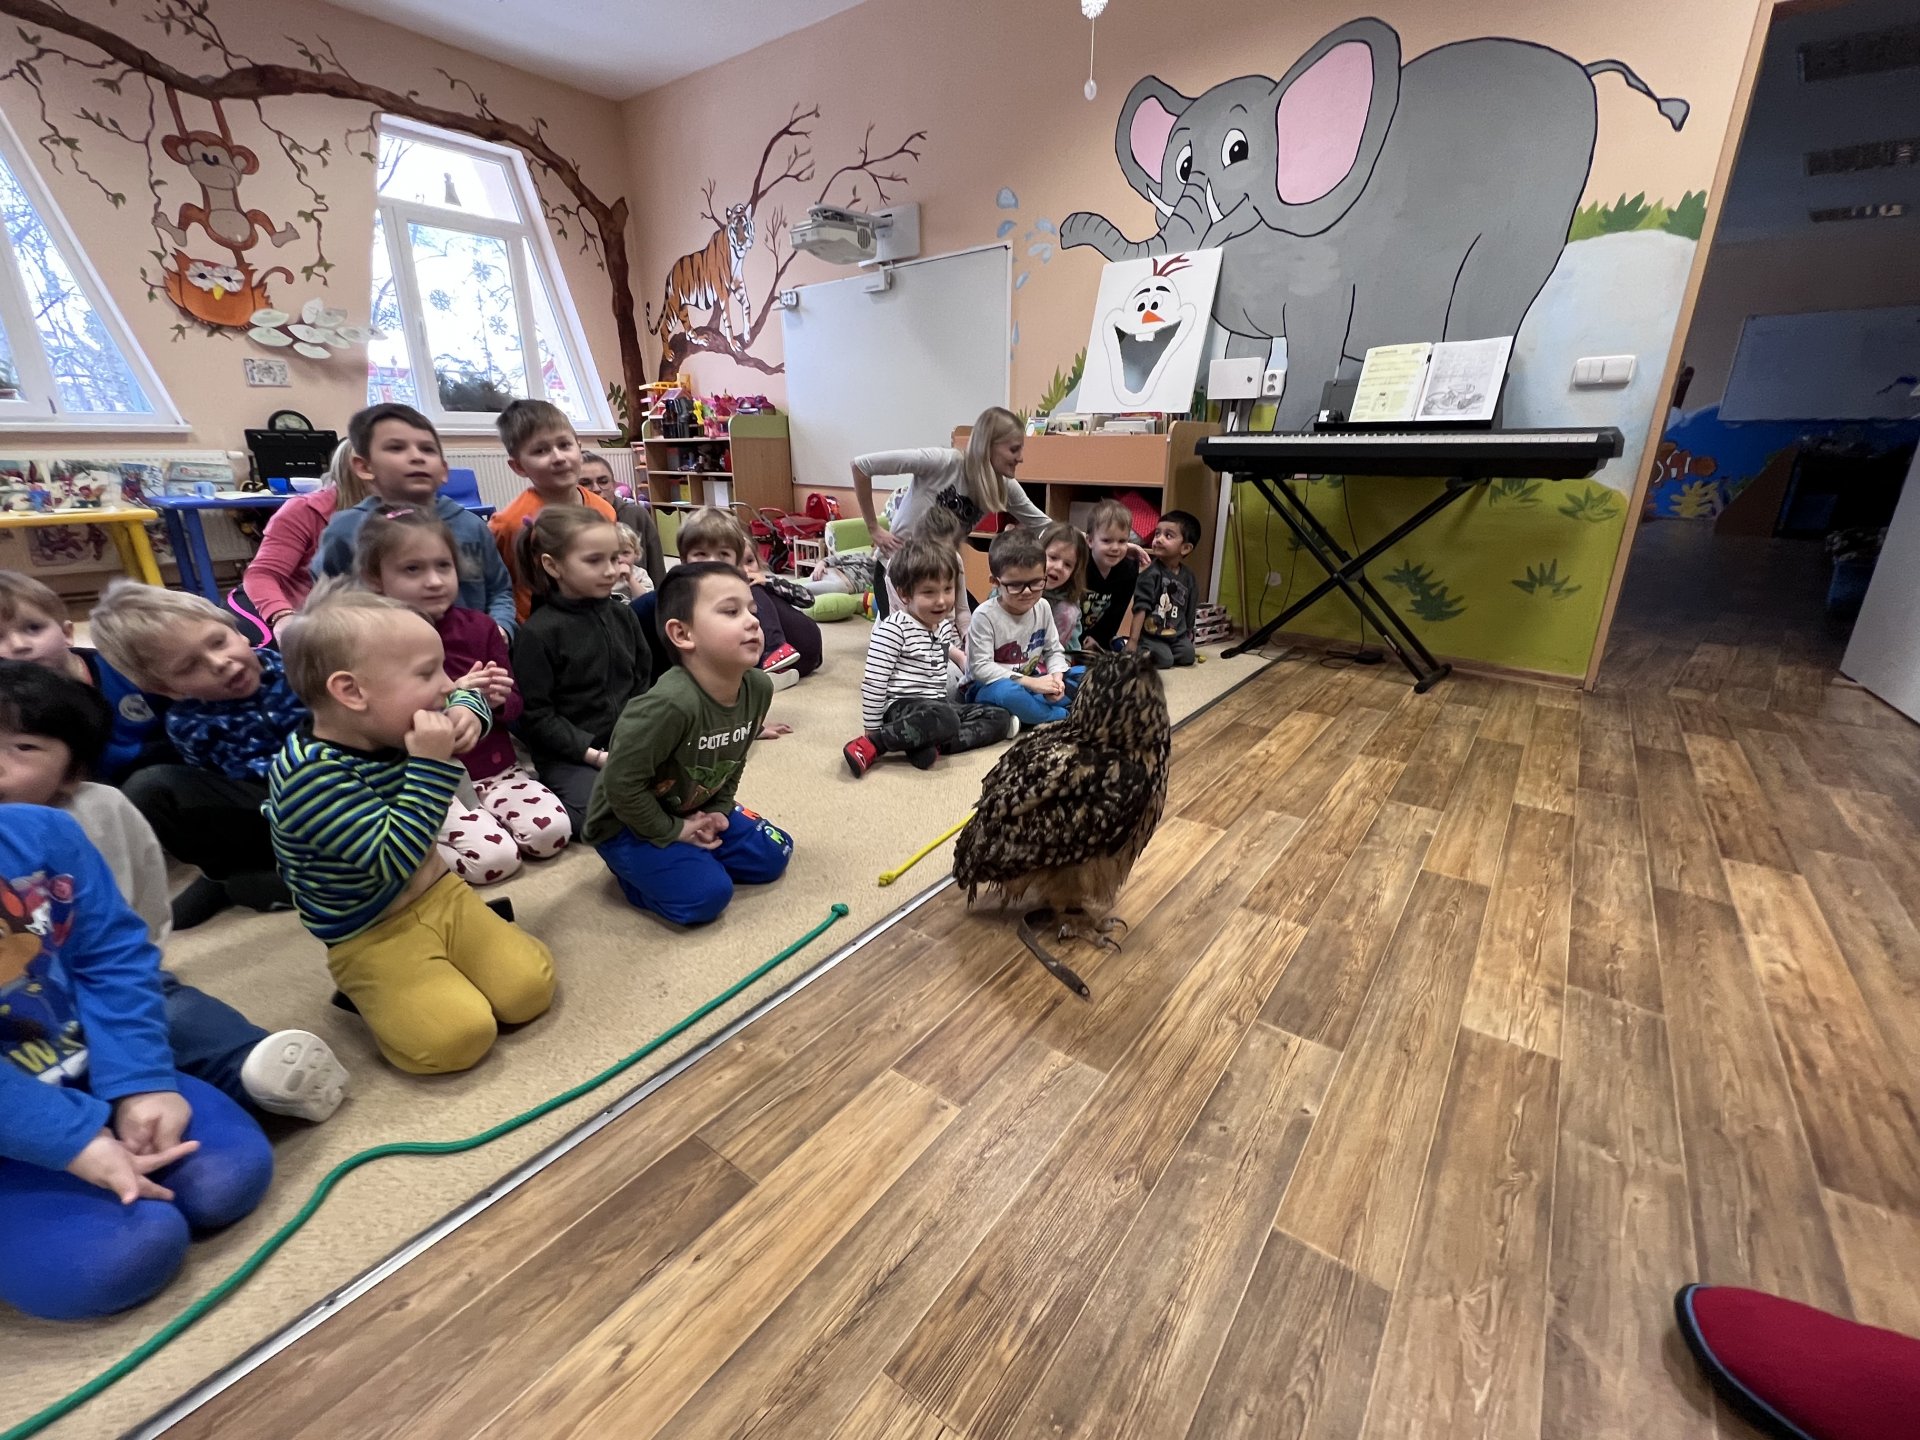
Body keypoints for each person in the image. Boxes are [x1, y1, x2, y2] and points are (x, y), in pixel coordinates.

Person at [0, 660, 348, 1123]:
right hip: (16, 1014)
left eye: (23, 747)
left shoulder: (94, 812)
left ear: (72, 770)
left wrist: (132, 973)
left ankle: (250, 1069)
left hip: (99, 976)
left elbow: (138, 901)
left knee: (176, 1016)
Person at [0, 801, 274, 1321]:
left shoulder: (42, 831)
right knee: (123, 1259)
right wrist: (69, 1139)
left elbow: (111, 957)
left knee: (225, 1181)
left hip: (88, 1070)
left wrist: (141, 1080)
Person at [267, 586, 555, 1075]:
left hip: (441, 893)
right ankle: (366, 989)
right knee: (459, 1038)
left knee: (530, 990)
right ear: (351, 692)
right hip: (369, 930)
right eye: (426, 673)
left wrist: (467, 708)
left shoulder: (392, 720)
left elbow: (461, 698)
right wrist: (431, 765)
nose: (445, 685)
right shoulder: (308, 776)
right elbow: (394, 860)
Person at [357, 504, 570, 884]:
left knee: (551, 834)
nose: (434, 581)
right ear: (376, 578)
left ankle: (484, 822)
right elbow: (379, 726)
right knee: (495, 861)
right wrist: (455, 696)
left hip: (496, 768)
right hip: (427, 780)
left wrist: (498, 700)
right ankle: (421, 844)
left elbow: (516, 705)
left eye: (444, 566)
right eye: (412, 569)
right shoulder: (373, 641)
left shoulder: (480, 627)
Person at [87, 581, 303, 930]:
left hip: (345, 795)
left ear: (239, 632)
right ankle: (224, 874)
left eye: (219, 642)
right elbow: (216, 789)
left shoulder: (299, 671)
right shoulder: (187, 723)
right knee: (149, 788)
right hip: (271, 809)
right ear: (166, 688)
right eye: (189, 667)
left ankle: (299, 878)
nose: (219, 663)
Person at [586, 562, 792, 927]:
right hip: (626, 823)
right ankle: (634, 875)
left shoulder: (758, 687)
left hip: (693, 802)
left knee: (775, 852)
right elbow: (620, 786)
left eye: (752, 610)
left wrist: (719, 810)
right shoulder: (668, 705)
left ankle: (684, 858)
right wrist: (675, 831)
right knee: (708, 897)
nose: (752, 621)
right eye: (731, 611)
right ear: (682, 634)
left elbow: (734, 760)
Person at [311, 403, 517, 637]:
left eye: (427, 449)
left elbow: (500, 590)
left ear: (444, 470)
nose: (417, 457)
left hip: (472, 652)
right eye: (396, 448)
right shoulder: (345, 530)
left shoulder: (471, 526)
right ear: (364, 467)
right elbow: (326, 602)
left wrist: (501, 629)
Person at [510, 506, 653, 832]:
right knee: (605, 816)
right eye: (594, 561)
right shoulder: (538, 633)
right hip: (570, 755)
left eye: (615, 558)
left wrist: (637, 739)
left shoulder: (623, 615)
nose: (611, 570)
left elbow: (642, 682)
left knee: (679, 789)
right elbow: (537, 716)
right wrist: (592, 754)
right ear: (552, 565)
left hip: (626, 742)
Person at [843, 537, 1013, 777]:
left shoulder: (942, 626)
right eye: (929, 592)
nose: (941, 600)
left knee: (999, 717)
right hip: (901, 707)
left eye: (948, 589)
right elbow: (873, 683)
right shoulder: (893, 629)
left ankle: (928, 745)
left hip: (936, 705)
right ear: (905, 594)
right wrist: (872, 730)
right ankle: (877, 744)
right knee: (946, 718)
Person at [0, 570, 173, 782]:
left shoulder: (123, 667)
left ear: (67, 633)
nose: (19, 645)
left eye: (33, 628)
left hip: (166, 778)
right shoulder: (7, 705)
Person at [634, 508, 821, 688]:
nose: (712, 563)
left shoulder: (745, 602)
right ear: (684, 560)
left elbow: (749, 662)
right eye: (700, 554)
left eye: (723, 554)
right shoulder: (659, 602)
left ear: (736, 563)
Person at [849, 405, 1050, 555]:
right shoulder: (942, 462)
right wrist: (874, 528)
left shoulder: (1004, 485)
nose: (1021, 458)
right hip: (898, 570)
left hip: (940, 574)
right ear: (988, 446)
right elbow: (861, 466)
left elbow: (1045, 526)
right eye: (1014, 449)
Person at [485, 399, 618, 622]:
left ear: (579, 448)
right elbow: (498, 587)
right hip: (535, 629)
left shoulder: (604, 510)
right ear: (518, 466)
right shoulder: (508, 523)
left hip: (593, 617)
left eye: (564, 445)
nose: (558, 458)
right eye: (540, 451)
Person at [229, 438, 369, 642]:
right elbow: (262, 575)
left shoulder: (405, 515)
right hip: (283, 605)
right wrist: (282, 616)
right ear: (362, 467)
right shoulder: (304, 510)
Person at [967, 528, 1077, 727]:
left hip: (1031, 683)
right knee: (1008, 693)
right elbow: (981, 669)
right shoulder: (984, 616)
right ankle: (1062, 715)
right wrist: (1032, 683)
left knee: (1083, 674)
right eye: (1016, 585)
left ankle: (1028, 714)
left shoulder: (1042, 607)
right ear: (995, 582)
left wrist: (1056, 680)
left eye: (1036, 583)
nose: (1027, 592)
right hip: (988, 688)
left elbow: (1053, 650)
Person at [580, 450, 666, 591]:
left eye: (603, 481)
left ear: (614, 484)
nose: (596, 489)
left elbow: (657, 570)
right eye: (585, 483)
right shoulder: (568, 524)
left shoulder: (636, 515)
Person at [1134, 509, 1201, 669]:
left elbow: (1191, 607)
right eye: (1157, 534)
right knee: (1165, 660)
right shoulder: (1150, 574)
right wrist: (1132, 641)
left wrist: (1188, 633)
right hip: (1152, 635)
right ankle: (1141, 649)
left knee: (1188, 655)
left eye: (1168, 535)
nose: (1158, 539)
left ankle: (1165, 651)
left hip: (1176, 634)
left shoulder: (1188, 576)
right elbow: (1140, 608)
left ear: (1185, 548)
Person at [1080, 498, 1144, 653]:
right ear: (1090, 540)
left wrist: (1098, 638)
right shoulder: (1079, 565)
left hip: (1100, 633)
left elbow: (1117, 612)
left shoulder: (1129, 570)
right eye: (1107, 541)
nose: (1115, 548)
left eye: (1122, 541)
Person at [1041, 520, 1089, 652]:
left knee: (1067, 611)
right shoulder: (1019, 585)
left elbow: (1073, 642)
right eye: (1053, 557)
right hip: (1011, 652)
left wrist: (1066, 658)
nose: (1059, 567)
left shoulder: (1069, 602)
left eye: (1068, 565)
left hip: (1052, 656)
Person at [611, 523, 654, 600]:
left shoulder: (640, 574)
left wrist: (630, 579)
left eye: (625, 553)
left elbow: (646, 601)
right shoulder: (604, 573)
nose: (620, 559)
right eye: (614, 554)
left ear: (636, 554)